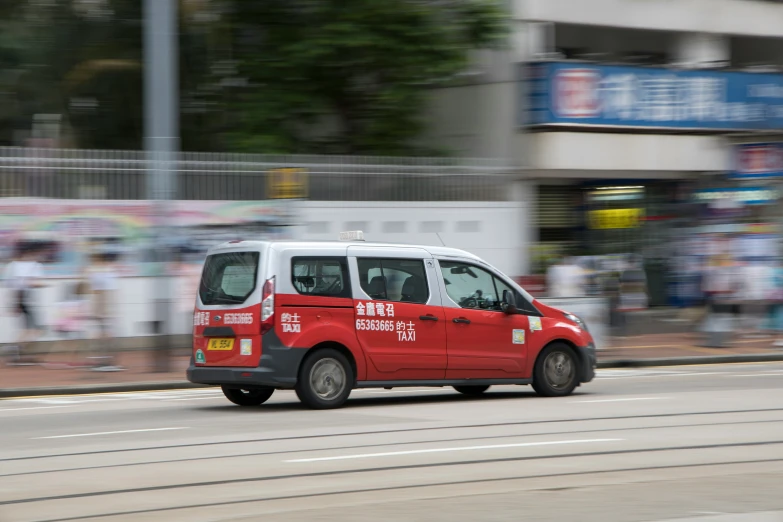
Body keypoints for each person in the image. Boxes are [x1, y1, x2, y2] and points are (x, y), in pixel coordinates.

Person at [2, 244, 46, 365]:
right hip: (28, 300)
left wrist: (11, 304)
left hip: (18, 300)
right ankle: (16, 348)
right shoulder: (35, 265)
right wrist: (43, 284)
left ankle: (16, 349)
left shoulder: (12, 266)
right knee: (37, 329)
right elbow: (33, 283)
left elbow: (9, 285)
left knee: (28, 329)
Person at [87, 251, 124, 371]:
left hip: (103, 304)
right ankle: (106, 360)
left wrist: (99, 309)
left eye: (95, 259)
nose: (93, 262)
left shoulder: (102, 272)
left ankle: (106, 361)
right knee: (104, 332)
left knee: (105, 333)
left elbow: (99, 291)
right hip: (104, 304)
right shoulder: (107, 271)